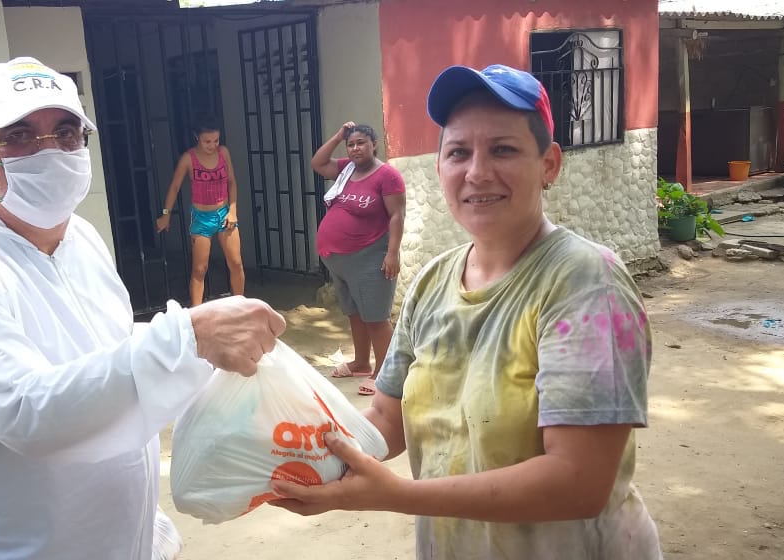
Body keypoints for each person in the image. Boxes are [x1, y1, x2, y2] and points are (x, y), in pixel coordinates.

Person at [0, 57, 285, 560]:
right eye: (18, 136)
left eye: (66, 132)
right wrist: (189, 336)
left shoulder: (81, 237)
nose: (49, 152)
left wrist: (152, 534)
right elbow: (26, 412)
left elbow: (112, 360)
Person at [271, 64, 663, 559]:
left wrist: (395, 496)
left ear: (550, 165)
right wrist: (295, 450)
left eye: (503, 149)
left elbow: (579, 484)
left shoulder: (585, 282)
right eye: (458, 152)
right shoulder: (434, 282)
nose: (477, 172)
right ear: (439, 169)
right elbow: (386, 422)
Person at [311, 122, 406, 396]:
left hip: (369, 257)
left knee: (376, 317)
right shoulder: (346, 169)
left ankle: (385, 375)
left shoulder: (387, 176)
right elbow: (318, 163)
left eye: (361, 143)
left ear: (374, 144)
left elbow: (397, 215)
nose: (355, 149)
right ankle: (362, 363)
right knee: (354, 313)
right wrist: (339, 134)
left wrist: (392, 252)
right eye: (351, 144)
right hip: (340, 261)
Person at [155, 118, 245, 307]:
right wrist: (166, 214)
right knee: (199, 270)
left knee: (236, 263)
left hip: (224, 214)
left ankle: (241, 307)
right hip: (201, 218)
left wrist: (233, 211)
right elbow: (174, 187)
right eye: (207, 141)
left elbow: (232, 182)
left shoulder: (224, 153)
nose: (212, 145)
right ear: (197, 137)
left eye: (216, 140)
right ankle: (196, 315)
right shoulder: (188, 158)